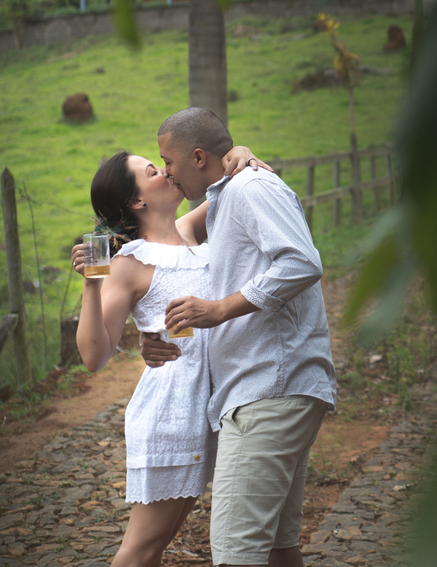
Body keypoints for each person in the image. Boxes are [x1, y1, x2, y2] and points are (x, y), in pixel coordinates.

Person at [142, 107, 337, 567]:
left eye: (167, 161)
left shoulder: (250, 187)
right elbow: (167, 258)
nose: (167, 172)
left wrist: (220, 309)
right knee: (277, 549)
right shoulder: (227, 197)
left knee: (235, 553)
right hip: (267, 391)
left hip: (269, 389)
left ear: (196, 156)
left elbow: (301, 263)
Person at [69, 145, 267, 567]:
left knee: (153, 549)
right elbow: (93, 356)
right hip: (172, 413)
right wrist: (91, 284)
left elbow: (232, 185)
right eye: (153, 170)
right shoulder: (128, 262)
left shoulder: (190, 232)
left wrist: (242, 152)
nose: (166, 171)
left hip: (210, 403)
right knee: (139, 551)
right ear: (137, 200)